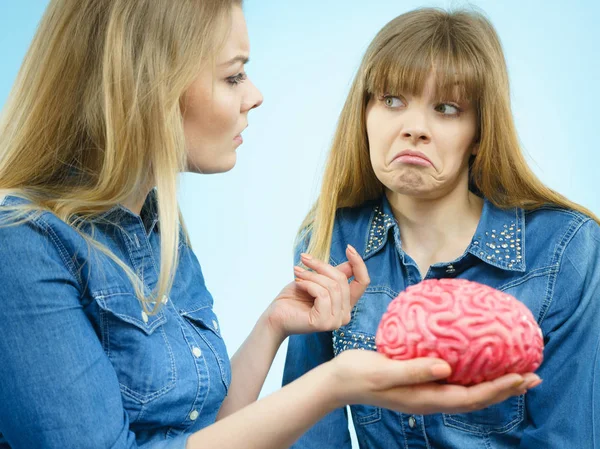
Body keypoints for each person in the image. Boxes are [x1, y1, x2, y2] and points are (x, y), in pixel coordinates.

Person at [0, 2, 540, 449]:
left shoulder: (155, 225)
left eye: (447, 108)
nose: (254, 94)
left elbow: (202, 432)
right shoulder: (21, 245)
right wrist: (334, 382)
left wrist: (273, 326)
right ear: (148, 87)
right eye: (233, 74)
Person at [283, 7, 600, 449]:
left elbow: (567, 438)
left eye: (447, 108)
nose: (415, 129)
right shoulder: (330, 238)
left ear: (480, 132)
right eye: (392, 100)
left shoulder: (566, 249)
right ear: (364, 113)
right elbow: (310, 434)